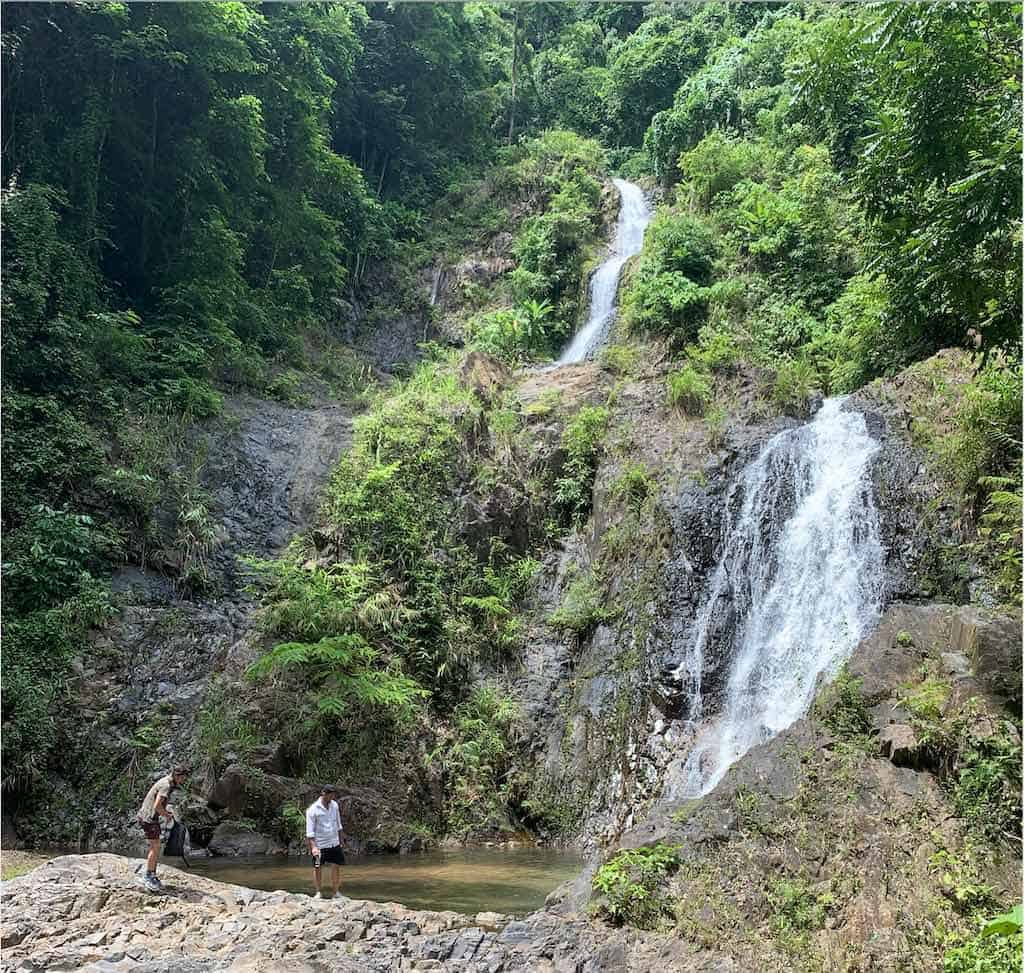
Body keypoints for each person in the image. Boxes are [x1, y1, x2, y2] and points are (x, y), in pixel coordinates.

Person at [136, 764, 189, 892]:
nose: (184, 780)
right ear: (177, 776)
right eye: (183, 778)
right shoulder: (166, 786)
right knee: (156, 847)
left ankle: (151, 873)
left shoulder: (167, 781)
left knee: (156, 846)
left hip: (147, 816)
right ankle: (148, 876)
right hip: (148, 818)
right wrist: (167, 815)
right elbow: (157, 807)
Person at [305, 785, 344, 899]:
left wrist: (341, 840)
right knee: (317, 867)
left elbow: (338, 824)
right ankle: (318, 892)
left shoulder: (334, 805)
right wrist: (313, 847)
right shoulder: (313, 810)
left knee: (336, 866)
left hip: (334, 842)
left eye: (333, 794)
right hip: (320, 844)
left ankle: (336, 892)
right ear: (323, 793)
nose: (332, 796)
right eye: (330, 794)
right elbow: (310, 831)